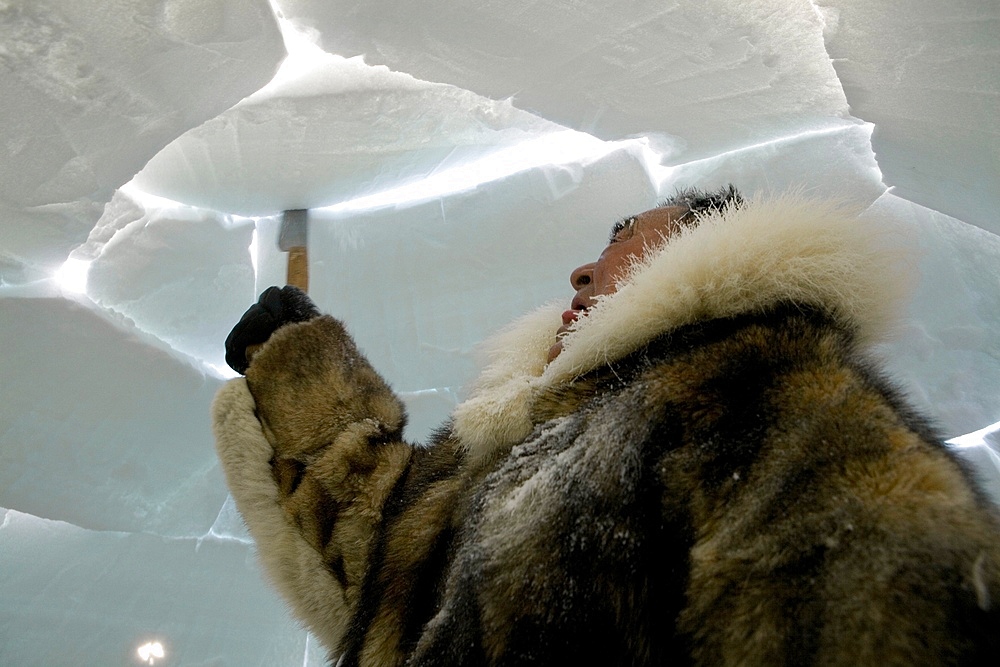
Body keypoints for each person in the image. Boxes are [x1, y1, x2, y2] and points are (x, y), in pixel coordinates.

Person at [213, 186, 1000, 666]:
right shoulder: (514, 451)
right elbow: (376, 539)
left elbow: (893, 610)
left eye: (623, 242)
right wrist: (296, 365)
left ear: (710, 252)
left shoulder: (770, 402)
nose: (583, 271)